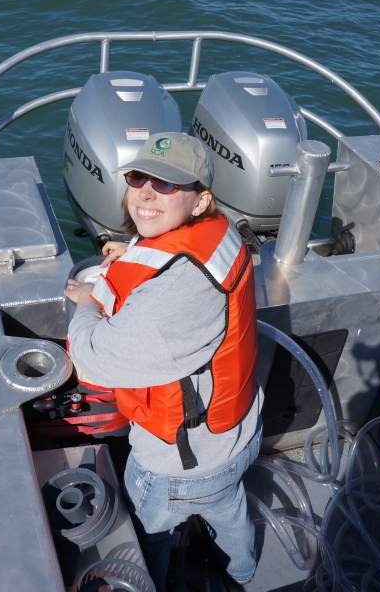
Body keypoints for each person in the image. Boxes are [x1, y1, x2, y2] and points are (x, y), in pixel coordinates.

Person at [64, 132, 264, 590]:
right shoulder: (219, 232)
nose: (145, 193)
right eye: (137, 178)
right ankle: (244, 573)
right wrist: (129, 254)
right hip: (239, 430)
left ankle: (152, 577)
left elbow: (93, 360)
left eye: (168, 185)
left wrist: (87, 304)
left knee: (146, 533)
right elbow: (169, 263)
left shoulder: (180, 289)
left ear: (201, 200)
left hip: (180, 462)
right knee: (230, 511)